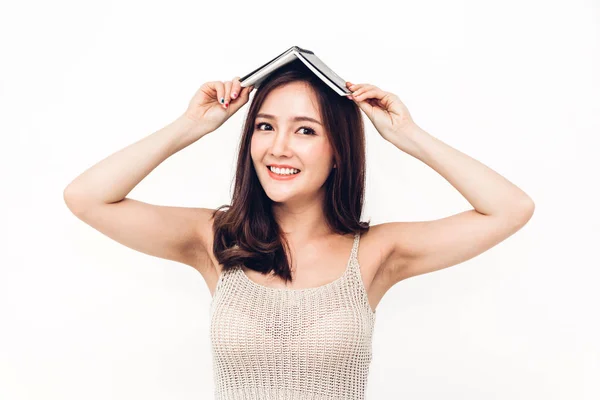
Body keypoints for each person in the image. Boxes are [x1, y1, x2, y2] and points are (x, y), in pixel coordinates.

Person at [63, 59, 535, 399]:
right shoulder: (215, 238)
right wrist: (190, 125)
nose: (279, 147)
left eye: (305, 130)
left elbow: (509, 209)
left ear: (339, 149)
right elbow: (86, 197)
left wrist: (406, 135)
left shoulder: (376, 252)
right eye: (265, 127)